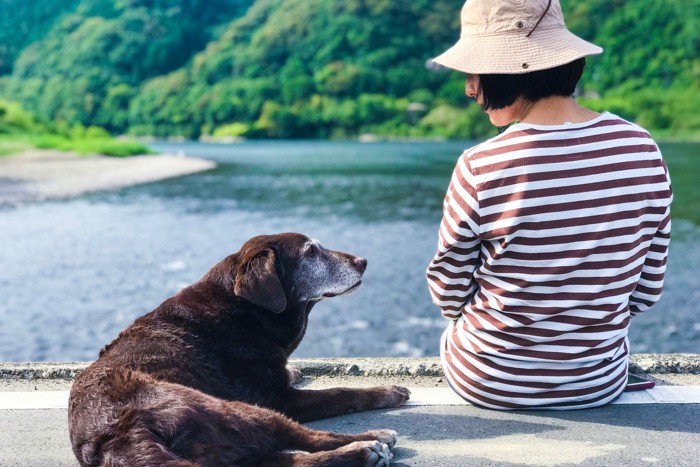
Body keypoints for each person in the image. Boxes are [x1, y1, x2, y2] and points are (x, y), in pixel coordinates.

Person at [426, 0, 672, 409]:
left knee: (455, 332)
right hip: (598, 383)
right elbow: (645, 293)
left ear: (507, 69)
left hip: (489, 382)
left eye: (474, 72)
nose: (469, 88)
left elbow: (449, 294)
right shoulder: (641, 148)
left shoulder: (480, 165)